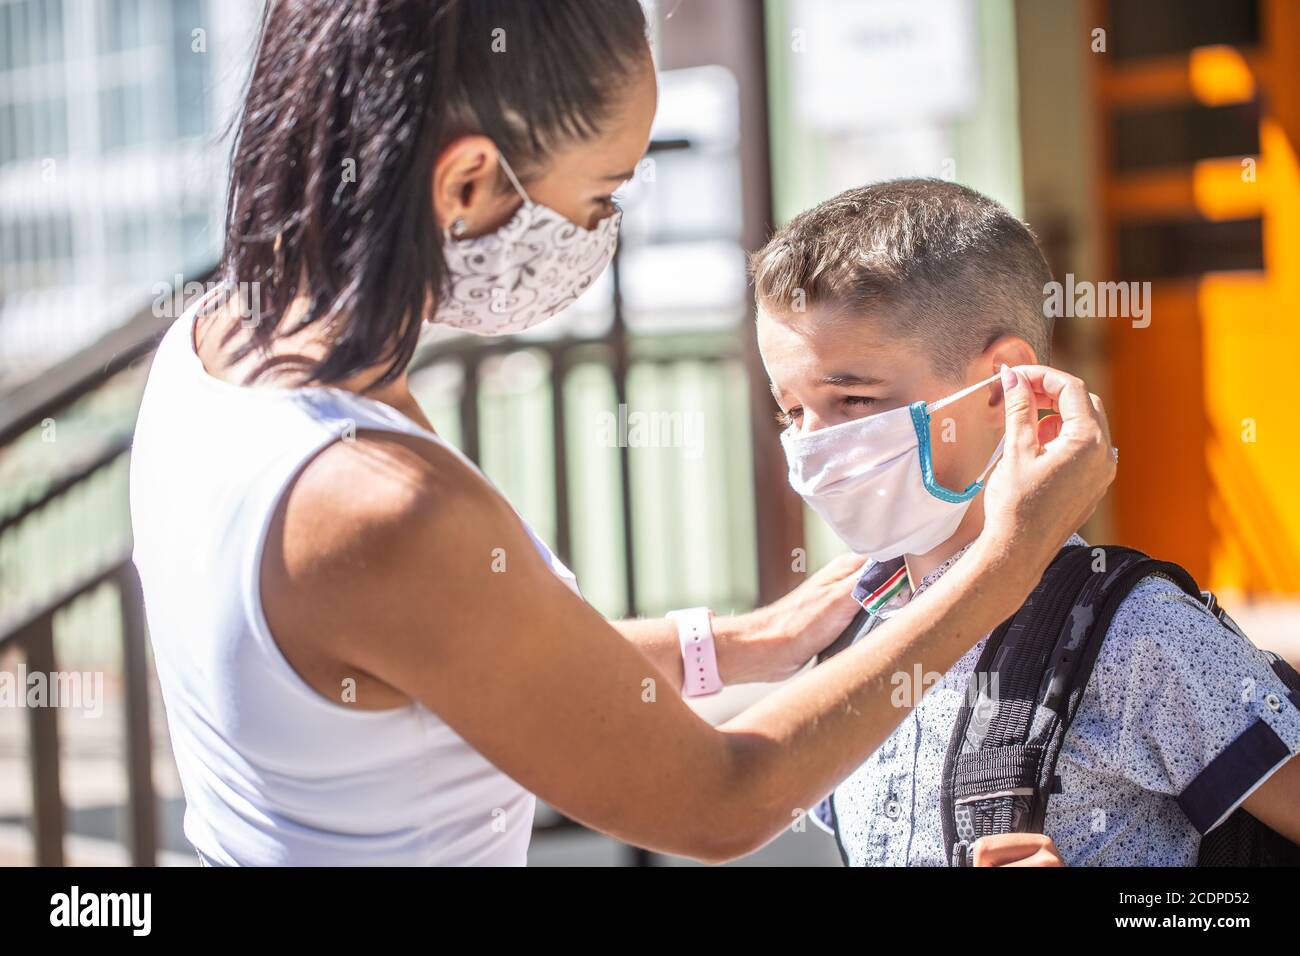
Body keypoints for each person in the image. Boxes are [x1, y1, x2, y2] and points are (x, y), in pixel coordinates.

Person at [128, 0, 1112, 866]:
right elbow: (720, 797)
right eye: (599, 195)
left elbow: (470, 663)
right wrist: (1006, 561)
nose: (604, 235)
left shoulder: (213, 350)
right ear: (469, 182)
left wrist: (740, 642)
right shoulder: (381, 503)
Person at [751, 177, 1300, 866]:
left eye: (855, 399)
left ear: (1005, 381)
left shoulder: (1137, 632)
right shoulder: (847, 641)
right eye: (791, 411)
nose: (814, 444)